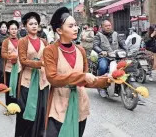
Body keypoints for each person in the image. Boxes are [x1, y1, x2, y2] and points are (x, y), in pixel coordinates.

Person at [43, 7, 109, 137]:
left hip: (80, 102)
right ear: (59, 30)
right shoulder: (50, 50)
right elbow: (53, 78)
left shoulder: (80, 50)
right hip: (59, 103)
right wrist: (82, 76)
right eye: (71, 26)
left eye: (76, 25)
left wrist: (106, 80)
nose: (76, 28)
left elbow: (85, 81)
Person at [15, 12, 49, 137]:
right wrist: (40, 63)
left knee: (42, 110)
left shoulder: (44, 42)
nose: (34, 26)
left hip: (42, 80)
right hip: (27, 80)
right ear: (25, 26)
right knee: (26, 109)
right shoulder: (22, 42)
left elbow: (48, 57)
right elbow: (23, 61)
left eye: (36, 24)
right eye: (31, 24)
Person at [93, 20, 127, 96]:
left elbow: (122, 43)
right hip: (105, 57)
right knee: (103, 66)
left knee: (126, 67)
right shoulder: (99, 35)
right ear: (102, 27)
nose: (108, 27)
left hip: (116, 57)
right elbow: (95, 45)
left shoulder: (116, 34)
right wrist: (101, 51)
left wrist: (126, 49)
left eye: (109, 25)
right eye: (106, 26)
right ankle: (101, 86)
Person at [1, 20, 21, 105]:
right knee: (9, 87)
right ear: (8, 30)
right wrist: (11, 57)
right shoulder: (6, 41)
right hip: (9, 68)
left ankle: (16, 105)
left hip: (19, 68)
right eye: (12, 29)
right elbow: (3, 54)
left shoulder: (21, 41)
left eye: (15, 29)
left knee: (18, 86)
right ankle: (9, 106)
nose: (14, 31)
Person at [0, 21, 9, 86]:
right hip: (1, 56)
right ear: (0, 28)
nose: (4, 28)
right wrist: (4, 48)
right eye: (2, 27)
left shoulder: (9, 36)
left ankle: (7, 83)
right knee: (1, 70)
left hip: (9, 56)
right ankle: (0, 84)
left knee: (8, 69)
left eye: (5, 27)